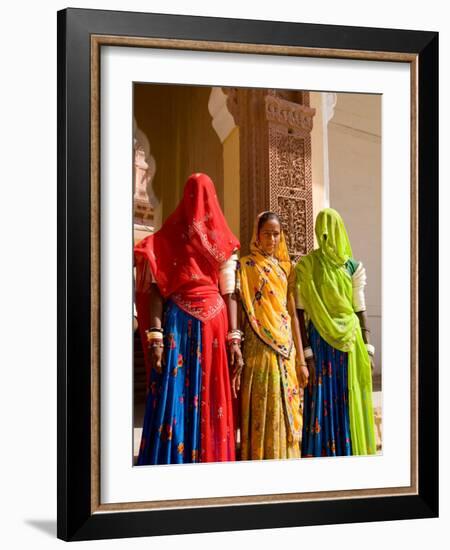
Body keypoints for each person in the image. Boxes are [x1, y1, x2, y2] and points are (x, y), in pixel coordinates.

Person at [134, 172, 242, 465]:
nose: (198, 202)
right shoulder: (169, 238)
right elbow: (156, 284)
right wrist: (154, 335)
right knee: (175, 395)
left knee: (210, 399)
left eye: (202, 195)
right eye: (194, 194)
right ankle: (174, 461)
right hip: (181, 326)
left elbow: (229, 289)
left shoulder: (222, 241)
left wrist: (235, 338)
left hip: (209, 328)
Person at [295, 208, 376, 457]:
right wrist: (306, 352)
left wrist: (369, 347)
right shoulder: (307, 265)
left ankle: (348, 452)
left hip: (350, 344)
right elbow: (299, 311)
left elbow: (360, 308)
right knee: (322, 396)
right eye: (323, 232)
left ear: (340, 231)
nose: (326, 237)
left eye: (331, 231)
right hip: (319, 342)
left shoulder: (353, 267)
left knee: (346, 397)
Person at [233, 211, 308, 460]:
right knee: (265, 403)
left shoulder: (286, 270)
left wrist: (301, 360)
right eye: (267, 234)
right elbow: (245, 310)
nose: (272, 239)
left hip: (286, 347)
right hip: (259, 345)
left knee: (285, 404)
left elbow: (293, 313)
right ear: (257, 234)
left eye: (276, 234)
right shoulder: (246, 266)